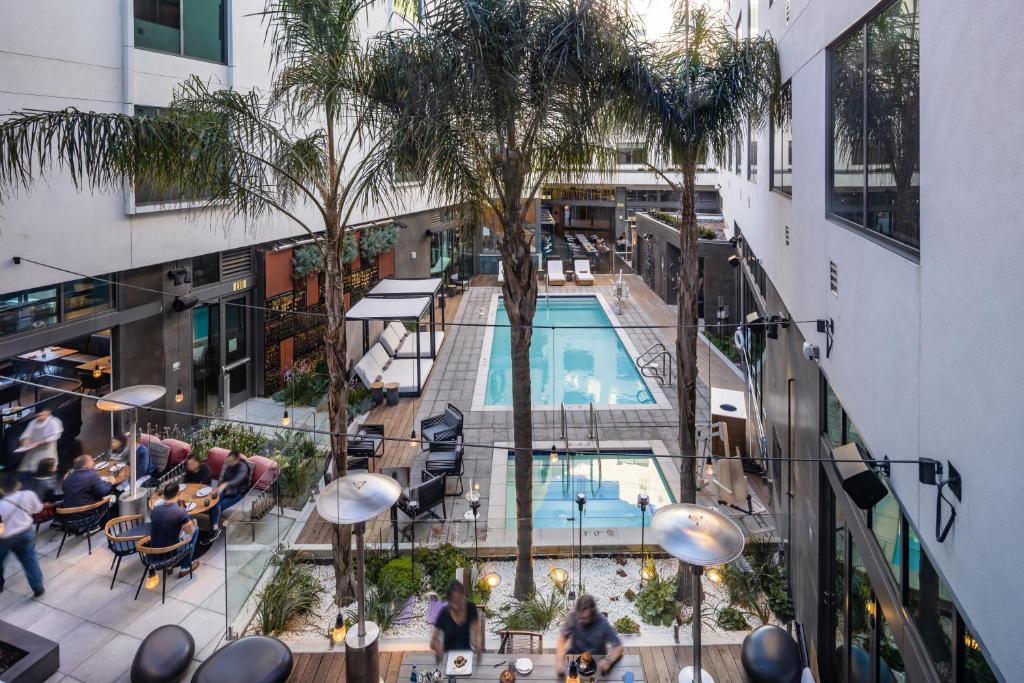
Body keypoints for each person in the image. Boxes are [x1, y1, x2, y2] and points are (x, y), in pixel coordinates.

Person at [555, 594, 624, 676]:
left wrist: (609, 661)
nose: (579, 621)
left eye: (584, 618)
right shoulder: (572, 615)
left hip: (596, 662)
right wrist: (560, 660)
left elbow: (619, 647)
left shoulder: (602, 621)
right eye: (578, 617)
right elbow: (562, 639)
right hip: (575, 657)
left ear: (593, 616)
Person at [0, 474, 45, 597]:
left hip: (6, 539)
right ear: (18, 484)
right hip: (26, 533)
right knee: (29, 560)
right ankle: (37, 587)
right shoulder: (28, 495)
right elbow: (38, 509)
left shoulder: (1, 505)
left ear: (2, 490)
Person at [149, 482, 199, 577]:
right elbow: (190, 532)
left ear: (164, 494)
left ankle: (169, 567)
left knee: (166, 532)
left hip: (153, 552)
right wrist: (192, 523)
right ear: (178, 494)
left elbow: (163, 525)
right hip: (170, 553)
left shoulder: (154, 510)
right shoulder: (181, 512)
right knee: (196, 529)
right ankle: (185, 568)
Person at [430, 580, 482, 661]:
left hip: (466, 654)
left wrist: (478, 645)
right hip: (448, 656)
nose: (457, 605)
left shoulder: (471, 607)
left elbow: (477, 630)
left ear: (463, 596)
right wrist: (438, 648)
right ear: (449, 601)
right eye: (454, 601)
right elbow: (433, 641)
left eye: (460, 600)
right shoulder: (444, 613)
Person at [183, 456, 221, 543]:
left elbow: (206, 484)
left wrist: (196, 491)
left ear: (198, 462)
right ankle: (185, 528)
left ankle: (215, 529)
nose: (190, 466)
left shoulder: (205, 468)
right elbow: (186, 484)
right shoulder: (188, 471)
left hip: (204, 493)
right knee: (182, 505)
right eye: (189, 464)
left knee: (214, 503)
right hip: (191, 494)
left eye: (192, 463)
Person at [17, 408, 63, 475]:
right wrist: (25, 440)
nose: (40, 418)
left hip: (47, 450)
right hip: (33, 449)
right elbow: (26, 434)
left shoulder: (54, 422)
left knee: (47, 470)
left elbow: (56, 436)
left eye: (42, 415)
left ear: (48, 413)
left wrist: (40, 442)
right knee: (25, 471)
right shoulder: (33, 422)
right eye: (38, 416)